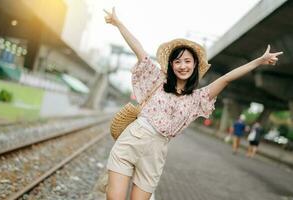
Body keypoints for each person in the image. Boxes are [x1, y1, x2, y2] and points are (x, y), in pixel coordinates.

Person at [103, 7, 283, 200]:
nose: (183, 66)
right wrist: (118, 23)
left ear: (195, 65)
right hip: (132, 139)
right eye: (178, 62)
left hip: (156, 153)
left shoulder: (198, 98)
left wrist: (259, 61)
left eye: (187, 61)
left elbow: (226, 79)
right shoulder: (157, 80)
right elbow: (139, 50)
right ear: (171, 65)